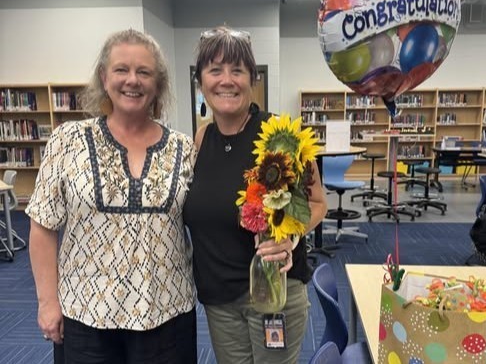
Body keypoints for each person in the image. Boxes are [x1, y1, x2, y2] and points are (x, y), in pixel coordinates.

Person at [26, 29, 197, 363]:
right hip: (86, 316)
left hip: (167, 313)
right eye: (121, 70)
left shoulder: (183, 148)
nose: (132, 80)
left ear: (157, 83)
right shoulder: (67, 141)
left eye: (143, 72)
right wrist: (47, 302)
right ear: (104, 78)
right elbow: (43, 226)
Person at [183, 26, 327, 363]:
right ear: (201, 81)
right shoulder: (202, 140)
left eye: (237, 70)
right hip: (219, 297)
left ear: (252, 79)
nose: (226, 80)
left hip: (272, 293)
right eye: (215, 70)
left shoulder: (282, 135)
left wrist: (290, 235)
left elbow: (318, 202)